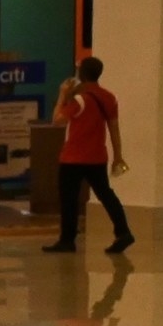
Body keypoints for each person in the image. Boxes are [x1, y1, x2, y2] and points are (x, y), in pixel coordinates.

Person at [45, 55, 132, 254]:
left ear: (81, 74)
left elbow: (57, 120)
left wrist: (61, 95)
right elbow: (114, 129)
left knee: (69, 199)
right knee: (106, 194)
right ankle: (123, 231)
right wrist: (118, 156)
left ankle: (67, 240)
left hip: (73, 158)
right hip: (97, 157)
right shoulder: (109, 97)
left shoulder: (79, 99)